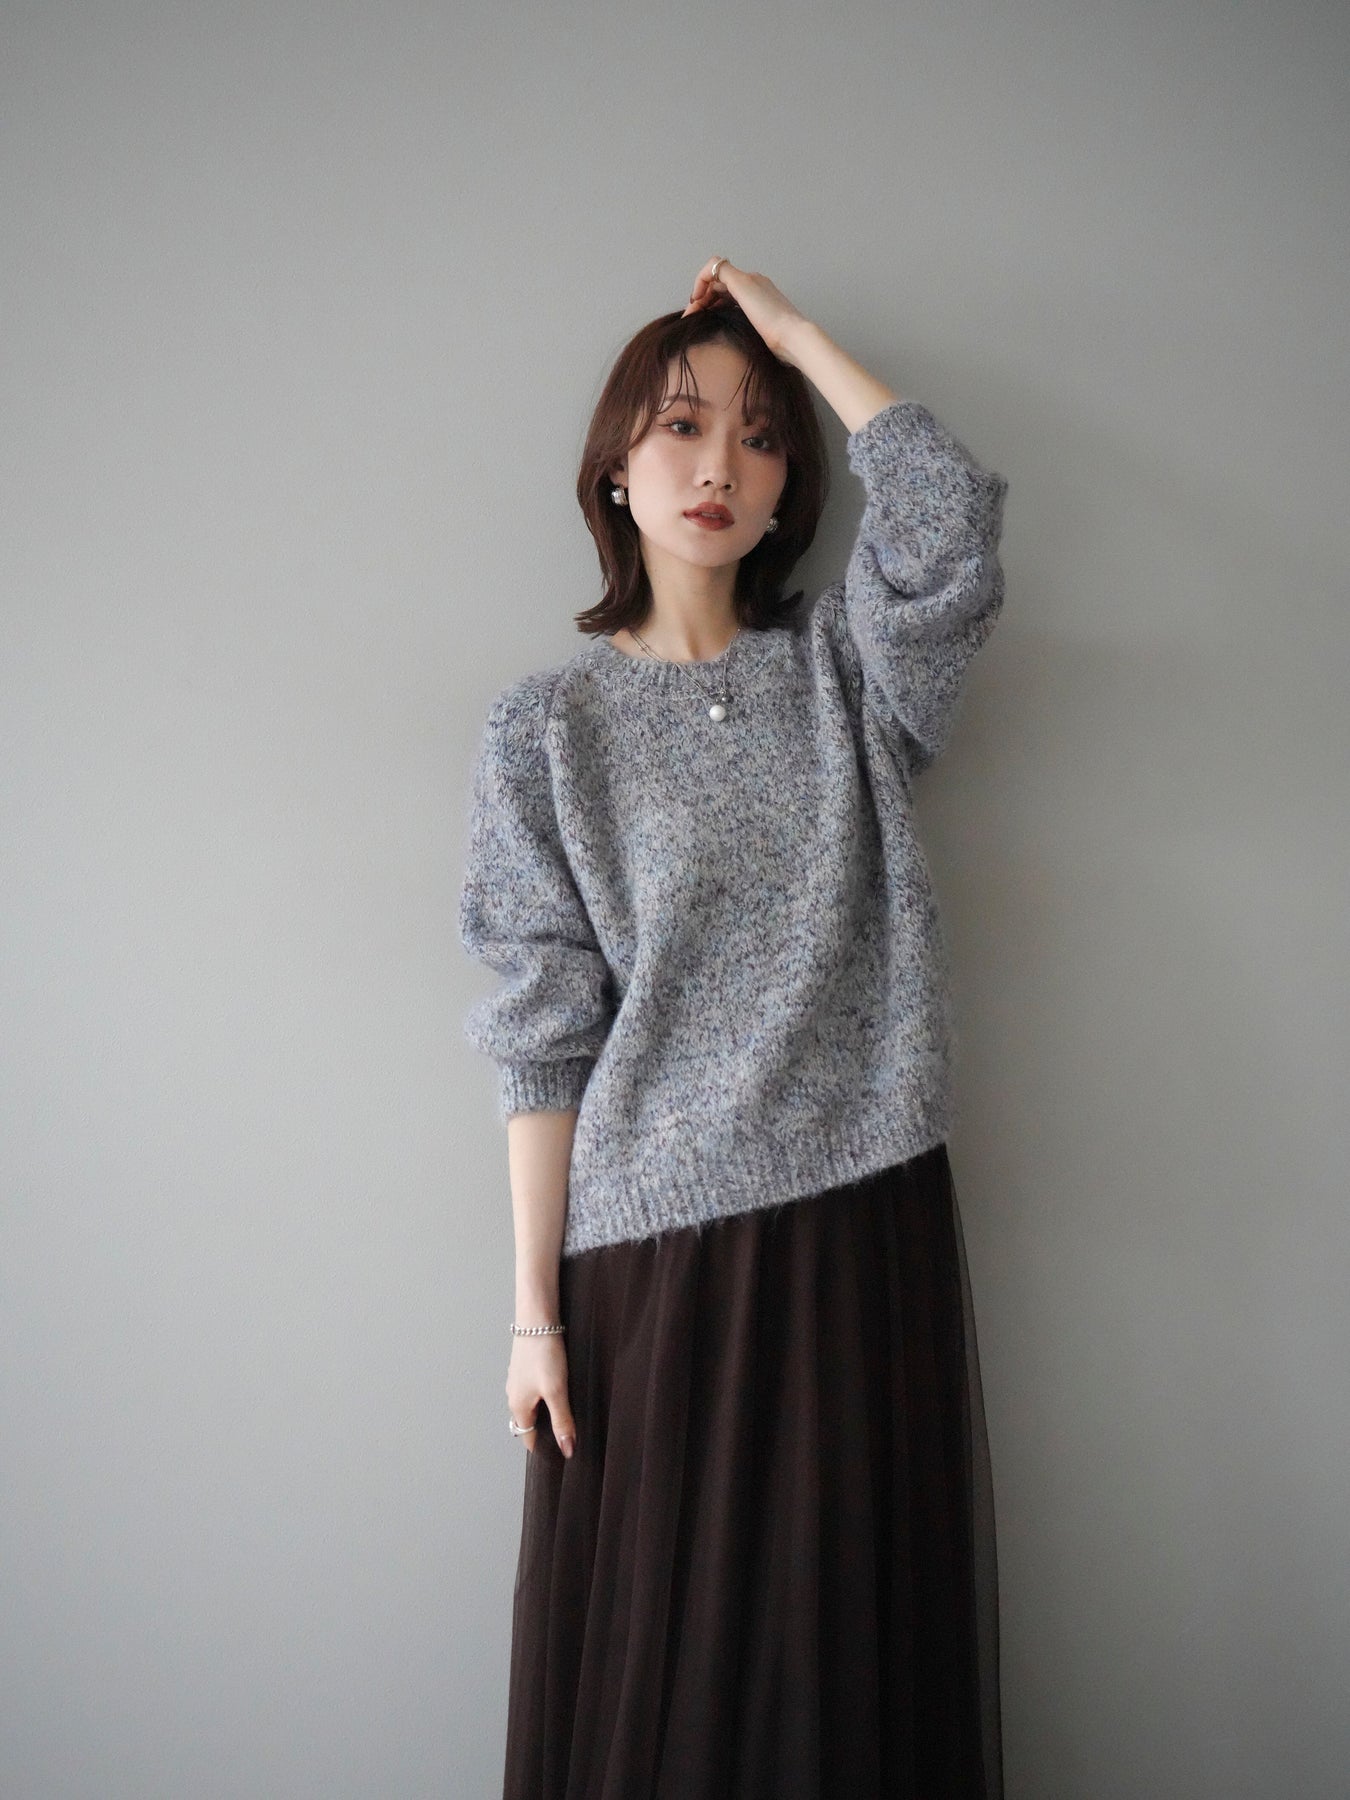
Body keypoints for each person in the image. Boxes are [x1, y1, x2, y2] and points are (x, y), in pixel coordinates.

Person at [457, 256, 1010, 1798]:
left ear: (788, 493)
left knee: (837, 1675)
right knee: (682, 1686)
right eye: (682, 425)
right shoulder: (545, 730)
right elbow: (541, 1037)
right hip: (654, 1261)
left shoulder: (848, 676)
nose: (717, 465)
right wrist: (532, 1317)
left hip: (857, 1216)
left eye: (759, 438)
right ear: (614, 468)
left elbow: (950, 529)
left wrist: (796, 335)